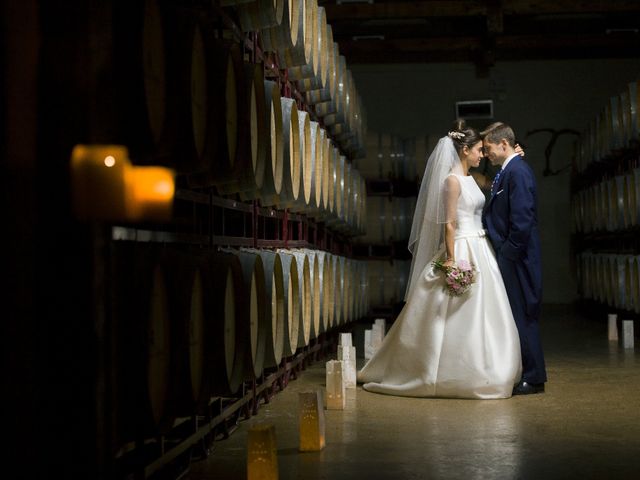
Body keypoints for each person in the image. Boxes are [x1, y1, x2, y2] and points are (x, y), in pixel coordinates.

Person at [357, 120, 522, 399]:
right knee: (451, 316)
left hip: (481, 248)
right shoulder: (451, 181)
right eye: (478, 150)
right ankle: (441, 372)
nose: (482, 155)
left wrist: (514, 158)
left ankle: (488, 368)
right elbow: (449, 225)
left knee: (484, 314)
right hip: (461, 248)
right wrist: (452, 261)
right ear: (464, 150)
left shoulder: (473, 179)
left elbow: (497, 184)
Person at [481, 122, 547, 395]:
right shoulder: (508, 170)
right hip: (512, 255)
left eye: (488, 148)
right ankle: (527, 372)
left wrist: (508, 252)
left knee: (524, 314)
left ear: (503, 144)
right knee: (518, 314)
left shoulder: (517, 172)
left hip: (517, 257)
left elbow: (522, 219)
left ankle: (533, 378)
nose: (486, 154)